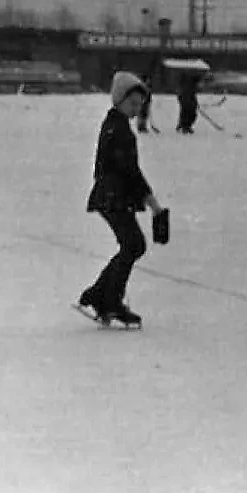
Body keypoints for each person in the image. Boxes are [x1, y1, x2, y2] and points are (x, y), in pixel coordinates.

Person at [78, 71, 164, 327]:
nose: (137, 110)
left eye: (140, 105)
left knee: (132, 245)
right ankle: (107, 299)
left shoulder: (115, 124)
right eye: (133, 104)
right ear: (119, 100)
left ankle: (100, 295)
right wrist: (151, 201)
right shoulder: (118, 129)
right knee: (133, 245)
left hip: (112, 195)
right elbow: (130, 170)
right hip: (112, 196)